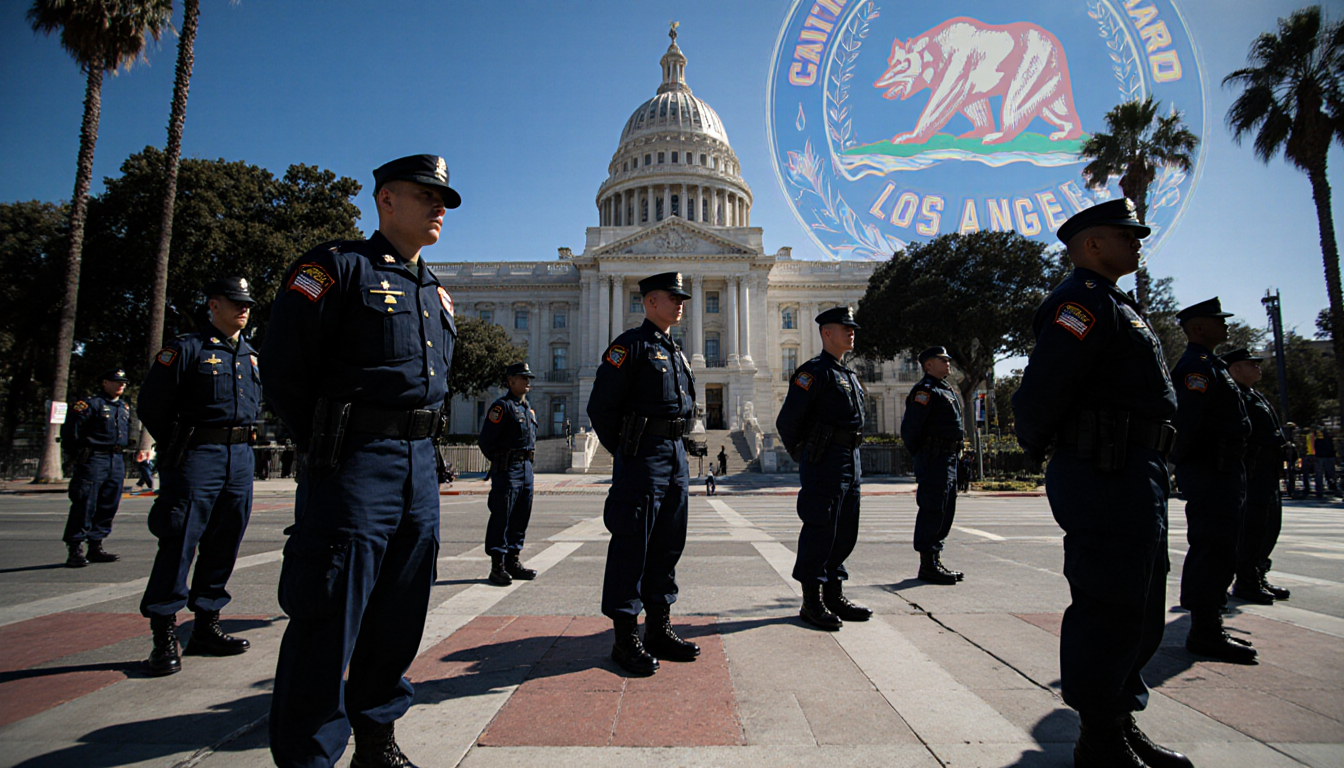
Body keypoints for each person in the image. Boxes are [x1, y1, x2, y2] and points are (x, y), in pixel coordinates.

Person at [262, 154, 460, 768]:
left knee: (399, 615)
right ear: (386, 201)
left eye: (444, 201)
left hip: (418, 466)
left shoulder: (436, 293)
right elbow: (285, 367)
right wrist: (331, 441)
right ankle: (309, 757)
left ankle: (376, 740)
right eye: (425, 195)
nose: (438, 209)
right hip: (354, 465)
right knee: (329, 619)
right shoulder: (334, 267)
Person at [1013, 199, 1192, 768]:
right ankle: (1099, 741)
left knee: (1139, 598)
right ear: (1092, 244)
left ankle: (1117, 720)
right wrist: (1054, 448)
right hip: (1103, 466)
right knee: (1109, 599)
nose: (1137, 242)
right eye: (1125, 234)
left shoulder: (1115, 305)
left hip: (1134, 467)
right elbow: (1043, 389)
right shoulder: (1080, 303)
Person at [137, 277, 261, 677]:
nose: (243, 309)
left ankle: (206, 624)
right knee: (179, 541)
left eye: (247, 303)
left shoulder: (251, 355)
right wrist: (180, 446)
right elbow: (152, 405)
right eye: (235, 301)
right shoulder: (186, 349)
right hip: (197, 458)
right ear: (213, 305)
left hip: (239, 457)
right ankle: (163, 632)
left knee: (225, 542)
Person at [587, 271, 700, 676]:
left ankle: (658, 627)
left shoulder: (677, 352)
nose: (681, 303)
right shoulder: (629, 347)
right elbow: (601, 408)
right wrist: (628, 452)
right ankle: (624, 637)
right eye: (673, 297)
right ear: (651, 302)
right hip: (644, 456)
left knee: (669, 543)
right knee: (632, 544)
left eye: (681, 297)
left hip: (675, 455)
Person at [1171, 297, 1257, 665]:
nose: (1225, 326)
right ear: (1198, 328)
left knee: (1223, 546)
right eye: (1217, 321)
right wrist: (1178, 465)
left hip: (1223, 470)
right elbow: (1187, 423)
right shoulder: (1196, 368)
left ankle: (1209, 623)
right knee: (1211, 546)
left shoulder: (1212, 366)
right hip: (1210, 470)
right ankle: (1204, 629)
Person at [775, 306, 871, 631]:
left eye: (852, 327)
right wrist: (807, 455)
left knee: (846, 530)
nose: (851, 332)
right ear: (826, 333)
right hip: (825, 460)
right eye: (845, 328)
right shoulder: (813, 372)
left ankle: (834, 593)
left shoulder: (848, 375)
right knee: (821, 529)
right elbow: (788, 422)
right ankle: (811, 601)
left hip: (850, 458)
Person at [1223, 349, 1292, 605]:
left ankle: (1258, 574)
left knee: (1269, 526)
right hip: (1253, 472)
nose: (1258, 368)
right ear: (1235, 370)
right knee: (1253, 529)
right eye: (1251, 364)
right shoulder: (1236, 396)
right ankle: (1246, 581)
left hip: (1268, 470)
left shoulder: (1254, 395)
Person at [900, 346, 966, 585]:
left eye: (948, 359)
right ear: (928, 364)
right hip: (934, 458)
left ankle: (935, 560)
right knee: (932, 509)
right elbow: (910, 430)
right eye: (942, 360)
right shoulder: (925, 391)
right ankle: (927, 563)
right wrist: (923, 454)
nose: (948, 363)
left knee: (946, 509)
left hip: (947, 458)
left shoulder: (945, 389)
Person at [60, 368, 131, 567]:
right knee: (85, 502)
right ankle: (75, 548)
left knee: (109, 503)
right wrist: (77, 454)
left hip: (115, 458)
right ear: (104, 383)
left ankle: (96, 545)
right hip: (94, 458)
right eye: (116, 381)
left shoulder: (124, 407)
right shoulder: (90, 405)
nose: (121, 385)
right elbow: (71, 432)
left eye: (123, 382)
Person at [479, 361, 539, 586]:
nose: (527, 382)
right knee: (501, 516)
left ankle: (513, 560)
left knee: (521, 515)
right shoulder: (501, 407)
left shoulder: (526, 408)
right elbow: (486, 440)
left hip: (526, 470)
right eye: (523, 378)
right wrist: (500, 461)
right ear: (511, 380)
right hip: (507, 469)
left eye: (528, 378)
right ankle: (497, 566)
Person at [1314, 429, 1336, 497]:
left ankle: (1330, 487)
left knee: (1327, 473)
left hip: (1325, 456)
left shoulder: (1320, 437)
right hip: (1322, 456)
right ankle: (1320, 489)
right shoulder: (1318, 437)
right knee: (1321, 473)